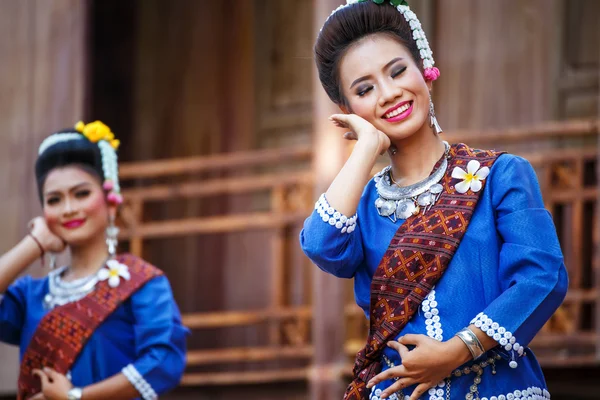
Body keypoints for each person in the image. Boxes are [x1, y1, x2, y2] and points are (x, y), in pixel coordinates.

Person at [300, 1, 568, 399]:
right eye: (365, 89)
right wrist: (365, 149)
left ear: (425, 69)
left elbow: (541, 278)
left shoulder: (499, 175)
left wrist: (457, 351)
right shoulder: (360, 206)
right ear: (347, 110)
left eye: (397, 71)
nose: (389, 94)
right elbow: (322, 246)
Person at [0, 121, 189, 400]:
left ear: (110, 202)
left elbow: (163, 362)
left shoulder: (141, 284)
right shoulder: (31, 296)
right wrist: (34, 244)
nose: (68, 209)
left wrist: (77, 397)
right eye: (54, 200)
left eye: (81, 194)